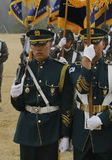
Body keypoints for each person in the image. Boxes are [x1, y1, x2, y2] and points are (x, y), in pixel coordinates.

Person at [10, 28, 73, 160]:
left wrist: (66, 135)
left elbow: (67, 105)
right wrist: (15, 97)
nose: (38, 48)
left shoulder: (61, 69)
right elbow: (20, 106)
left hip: (51, 129)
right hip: (27, 130)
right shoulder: (23, 69)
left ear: (50, 44)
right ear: (30, 46)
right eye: (35, 44)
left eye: (42, 44)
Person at [67, 27, 112, 160]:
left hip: (106, 133)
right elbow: (82, 88)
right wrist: (86, 63)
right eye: (88, 43)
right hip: (80, 133)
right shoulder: (74, 68)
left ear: (103, 44)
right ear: (83, 45)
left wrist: (103, 118)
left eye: (96, 43)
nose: (92, 46)